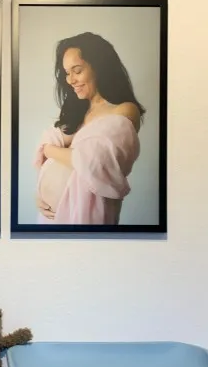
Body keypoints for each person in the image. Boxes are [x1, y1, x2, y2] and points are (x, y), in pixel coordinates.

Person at [34, 32, 144, 225]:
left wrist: (50, 150)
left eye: (77, 70)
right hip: (50, 219)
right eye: (67, 73)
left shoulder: (124, 110)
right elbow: (56, 148)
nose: (70, 80)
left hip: (87, 221)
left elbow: (94, 162)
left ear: (99, 68)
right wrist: (40, 195)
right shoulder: (80, 111)